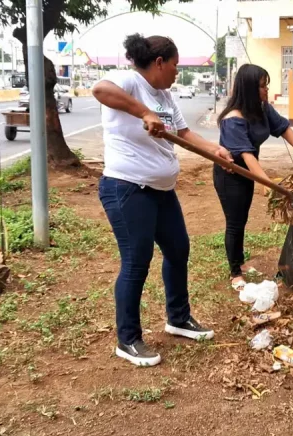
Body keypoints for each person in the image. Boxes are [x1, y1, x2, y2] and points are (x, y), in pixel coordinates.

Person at [92, 34, 234, 367]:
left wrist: (214, 151)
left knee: (178, 249)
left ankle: (178, 318)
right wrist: (143, 112)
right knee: (136, 262)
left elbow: (184, 134)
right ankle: (128, 340)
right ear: (159, 63)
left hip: (161, 191)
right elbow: (100, 90)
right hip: (128, 188)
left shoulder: (166, 96)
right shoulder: (130, 81)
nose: (176, 71)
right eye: (174, 65)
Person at [215, 64, 293, 291]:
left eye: (266, 85)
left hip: (250, 172)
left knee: (242, 218)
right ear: (249, 88)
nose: (266, 90)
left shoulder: (261, 108)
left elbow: (284, 128)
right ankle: (235, 272)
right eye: (262, 86)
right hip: (231, 175)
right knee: (235, 222)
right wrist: (268, 183)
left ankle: (239, 261)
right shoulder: (233, 119)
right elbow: (247, 157)